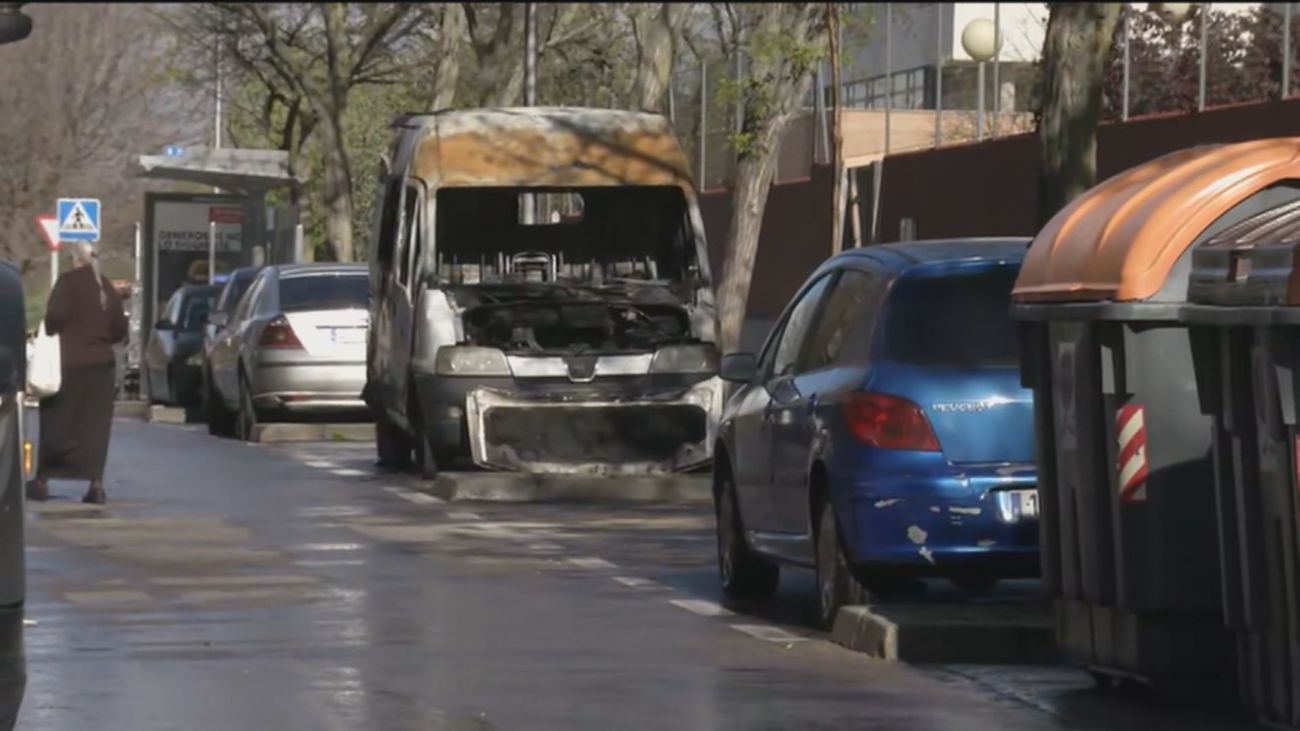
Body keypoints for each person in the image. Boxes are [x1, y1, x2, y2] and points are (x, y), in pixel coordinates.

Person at [26, 242, 128, 504]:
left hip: (68, 364)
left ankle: (43, 480)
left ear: (75, 259)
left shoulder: (67, 283)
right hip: (101, 368)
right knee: (94, 427)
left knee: (57, 421)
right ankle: (95, 484)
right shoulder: (105, 286)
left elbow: (53, 320)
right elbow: (120, 329)